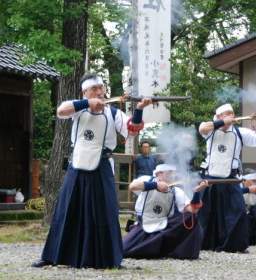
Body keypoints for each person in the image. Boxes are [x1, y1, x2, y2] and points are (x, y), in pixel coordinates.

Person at [31, 73, 152, 269]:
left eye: (101, 88)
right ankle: (52, 256)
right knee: (66, 209)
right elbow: (61, 111)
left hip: (102, 164)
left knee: (105, 211)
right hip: (78, 163)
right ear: (85, 92)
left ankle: (109, 258)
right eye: (93, 89)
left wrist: (139, 110)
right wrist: (87, 104)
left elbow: (132, 130)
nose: (99, 92)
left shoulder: (113, 112)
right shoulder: (77, 108)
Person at [198, 103, 256, 253]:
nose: (231, 116)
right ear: (219, 116)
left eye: (232, 113)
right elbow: (202, 128)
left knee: (238, 211)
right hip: (211, 178)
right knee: (208, 212)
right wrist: (223, 122)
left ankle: (233, 245)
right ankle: (206, 243)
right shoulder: (211, 130)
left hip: (231, 178)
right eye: (227, 113)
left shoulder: (240, 132)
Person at [122, 164, 208, 260]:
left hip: (165, 224)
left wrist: (197, 193)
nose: (172, 176)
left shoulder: (176, 190)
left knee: (191, 217)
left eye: (173, 173)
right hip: (144, 223)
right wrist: (155, 185)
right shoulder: (147, 179)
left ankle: (176, 250)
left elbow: (193, 210)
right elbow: (132, 186)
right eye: (169, 173)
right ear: (159, 173)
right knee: (124, 249)